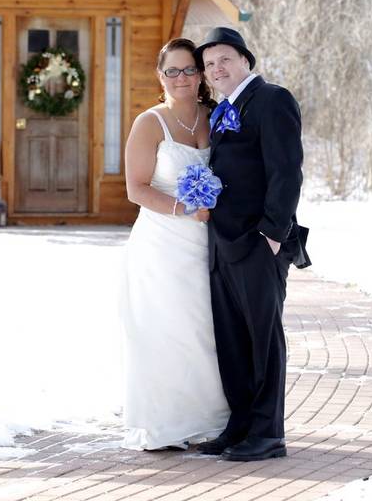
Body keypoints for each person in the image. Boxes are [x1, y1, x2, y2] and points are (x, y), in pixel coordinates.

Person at [194, 27, 310, 462]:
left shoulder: (272, 100)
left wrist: (273, 234)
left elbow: (287, 171)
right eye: (209, 65)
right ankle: (240, 425)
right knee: (232, 339)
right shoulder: (224, 109)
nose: (216, 69)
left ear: (245, 59)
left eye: (224, 58)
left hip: (259, 242)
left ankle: (267, 433)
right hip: (222, 243)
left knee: (263, 338)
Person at [119, 37, 230, 450]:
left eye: (189, 70)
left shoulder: (216, 116)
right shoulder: (150, 123)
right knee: (169, 329)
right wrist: (184, 208)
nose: (181, 78)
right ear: (160, 76)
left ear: (201, 75)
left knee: (207, 330)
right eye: (172, 71)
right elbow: (136, 189)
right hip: (163, 245)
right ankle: (168, 423)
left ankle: (214, 421)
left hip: (209, 242)